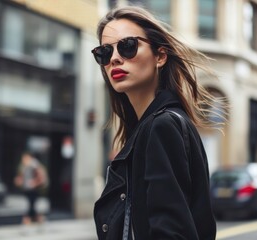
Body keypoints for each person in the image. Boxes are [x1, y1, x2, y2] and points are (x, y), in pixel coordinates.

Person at [92, 6, 222, 240]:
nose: (114, 59)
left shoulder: (162, 127)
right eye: (104, 52)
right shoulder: (153, 127)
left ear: (160, 56)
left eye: (128, 46)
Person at [14, 152, 47, 227]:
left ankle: (27, 220)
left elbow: (41, 178)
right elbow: (21, 177)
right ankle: (38, 219)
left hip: (34, 189)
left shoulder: (35, 166)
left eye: (25, 158)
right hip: (27, 189)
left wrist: (34, 183)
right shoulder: (24, 167)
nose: (23, 160)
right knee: (32, 205)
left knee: (31, 205)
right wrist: (19, 181)